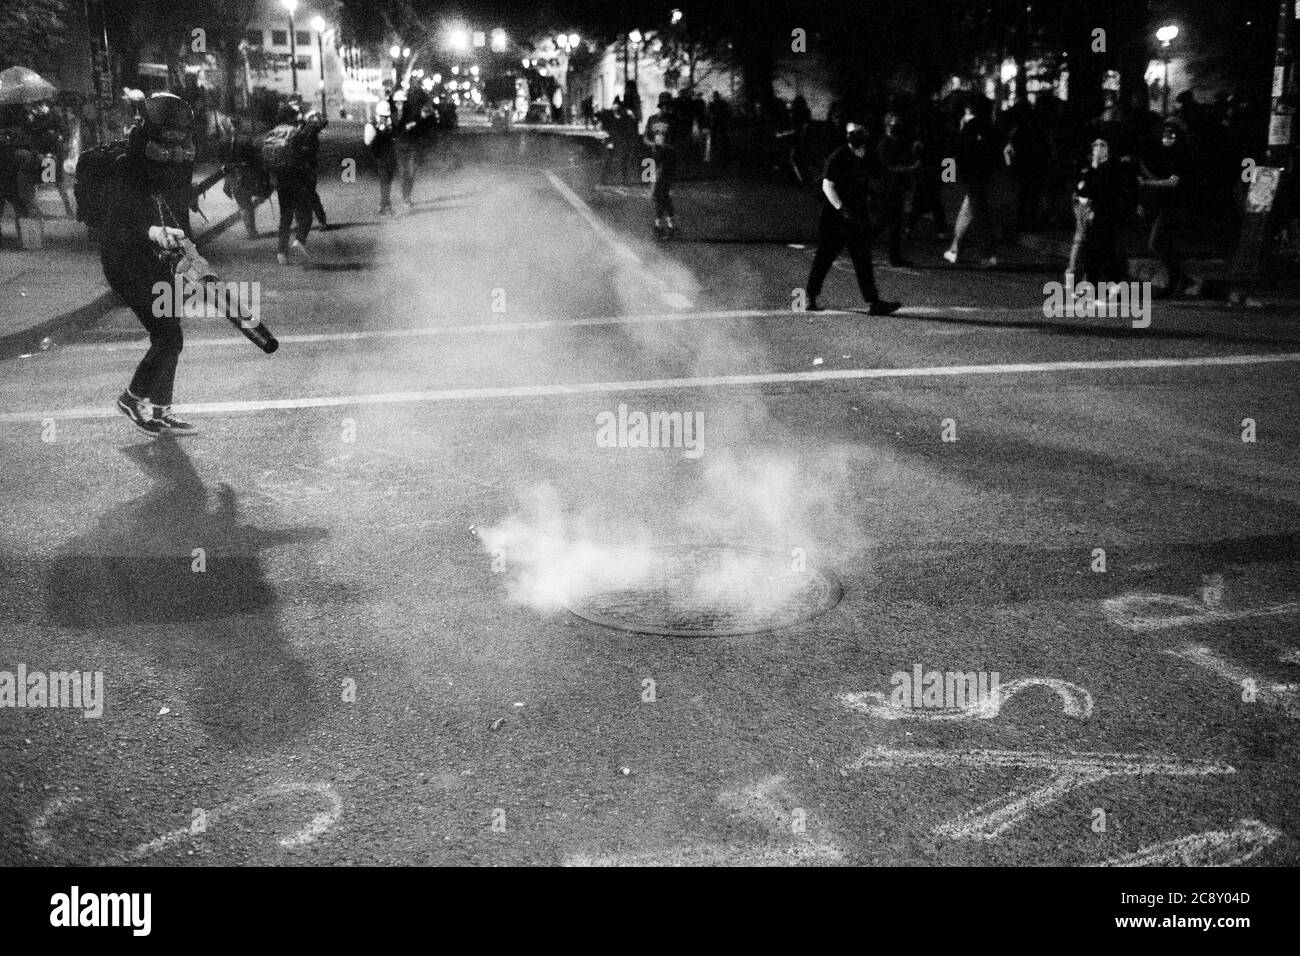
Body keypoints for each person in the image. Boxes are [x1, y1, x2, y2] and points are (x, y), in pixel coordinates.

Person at [102, 92, 199, 436]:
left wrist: (190, 254)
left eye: (181, 133)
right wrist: (154, 231)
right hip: (125, 260)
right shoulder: (128, 163)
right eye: (169, 132)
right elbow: (116, 222)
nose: (176, 140)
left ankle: (160, 409)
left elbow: (179, 211)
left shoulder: (178, 162)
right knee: (168, 335)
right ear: (155, 128)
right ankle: (132, 398)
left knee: (171, 335)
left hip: (160, 261)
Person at [804, 121, 902, 315]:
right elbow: (827, 186)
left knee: (863, 259)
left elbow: (874, 181)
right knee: (824, 257)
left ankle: (874, 302)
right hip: (835, 216)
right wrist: (842, 208)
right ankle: (809, 297)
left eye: (859, 131)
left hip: (858, 215)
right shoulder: (839, 156)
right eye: (852, 132)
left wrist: (877, 198)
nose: (855, 136)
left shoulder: (869, 156)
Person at [943, 95, 1008, 267]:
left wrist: (949, 175)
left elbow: (957, 151)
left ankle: (958, 251)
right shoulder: (987, 128)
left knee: (972, 213)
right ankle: (981, 253)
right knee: (977, 213)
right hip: (982, 176)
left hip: (973, 176)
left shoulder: (971, 127)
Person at [1065, 133, 1137, 288]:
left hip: (1105, 214)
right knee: (1089, 250)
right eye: (1095, 145)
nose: (1097, 148)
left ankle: (1114, 286)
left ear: (1109, 149)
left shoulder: (1112, 168)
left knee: (1105, 252)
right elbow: (1083, 189)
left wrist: (1094, 171)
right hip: (1090, 211)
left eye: (1102, 145)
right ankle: (1090, 284)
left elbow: (1102, 188)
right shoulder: (1090, 166)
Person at [1138, 119, 1189, 296]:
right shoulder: (1166, 155)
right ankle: (1177, 279)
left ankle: (1177, 277)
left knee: (1157, 243)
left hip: (1176, 207)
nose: (1167, 137)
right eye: (1165, 134)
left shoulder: (1180, 155)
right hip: (1168, 206)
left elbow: (1173, 182)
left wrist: (1149, 182)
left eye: (1171, 134)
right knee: (1163, 243)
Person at [264, 102, 313, 264]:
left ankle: (281, 253)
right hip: (296, 177)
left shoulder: (271, 133)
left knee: (285, 216)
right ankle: (299, 240)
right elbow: (305, 154)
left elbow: (266, 159)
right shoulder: (295, 133)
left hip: (280, 179)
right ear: (291, 118)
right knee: (306, 212)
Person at [876, 111, 919, 266]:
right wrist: (910, 168)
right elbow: (889, 167)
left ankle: (895, 257)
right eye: (894, 124)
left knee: (894, 224)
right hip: (887, 188)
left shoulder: (898, 143)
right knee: (882, 222)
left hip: (897, 187)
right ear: (888, 125)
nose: (898, 127)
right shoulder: (885, 144)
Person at [219, 113, 270, 239]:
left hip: (231, 175)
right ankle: (252, 232)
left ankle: (250, 231)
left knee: (243, 204)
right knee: (247, 204)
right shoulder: (246, 139)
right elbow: (256, 158)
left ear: (229, 125)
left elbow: (220, 159)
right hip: (246, 174)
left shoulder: (223, 140)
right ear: (240, 125)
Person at [643, 91, 677, 238]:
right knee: (655, 193)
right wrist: (651, 143)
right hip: (652, 159)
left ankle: (660, 223)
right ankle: (668, 223)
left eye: (668, 105)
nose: (665, 108)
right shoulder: (652, 119)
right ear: (660, 105)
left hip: (668, 160)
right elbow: (645, 137)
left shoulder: (674, 120)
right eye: (663, 105)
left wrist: (670, 146)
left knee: (661, 191)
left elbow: (680, 140)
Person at [364, 100, 397, 216]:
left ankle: (384, 206)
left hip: (391, 155)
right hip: (380, 156)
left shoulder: (391, 123)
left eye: (386, 116)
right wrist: (379, 130)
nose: (385, 118)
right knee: (385, 181)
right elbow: (368, 141)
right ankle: (386, 207)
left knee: (388, 181)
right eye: (383, 116)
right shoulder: (372, 123)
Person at [301, 109, 329, 229]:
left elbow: (323, 122)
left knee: (307, 194)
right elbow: (323, 122)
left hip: (304, 166)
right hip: (307, 166)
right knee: (310, 195)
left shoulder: (308, 129)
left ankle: (316, 220)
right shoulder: (308, 129)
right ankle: (320, 219)